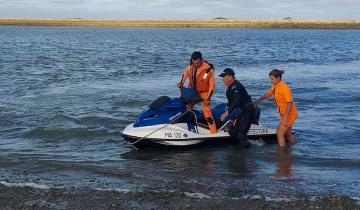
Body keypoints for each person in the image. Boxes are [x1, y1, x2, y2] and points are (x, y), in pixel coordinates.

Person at [254, 69, 298, 147]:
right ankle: (295, 147)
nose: (270, 81)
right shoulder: (275, 85)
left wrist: (286, 116)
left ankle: (282, 153)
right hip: (284, 114)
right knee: (288, 134)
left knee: (279, 133)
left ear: (278, 78)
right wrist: (257, 101)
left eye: (272, 79)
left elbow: (290, 102)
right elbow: (268, 94)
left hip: (289, 114)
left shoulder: (284, 88)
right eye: (270, 78)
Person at [177, 51, 217, 134]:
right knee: (186, 107)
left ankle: (213, 132)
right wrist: (181, 82)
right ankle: (189, 125)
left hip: (204, 93)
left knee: (207, 112)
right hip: (193, 91)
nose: (196, 65)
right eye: (194, 63)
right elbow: (186, 73)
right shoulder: (191, 65)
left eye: (198, 63)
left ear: (201, 60)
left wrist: (208, 98)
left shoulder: (208, 69)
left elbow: (212, 85)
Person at [219, 68, 255, 148]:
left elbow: (237, 101)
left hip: (247, 111)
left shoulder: (236, 86)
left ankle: (246, 154)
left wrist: (226, 113)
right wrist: (228, 105)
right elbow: (232, 100)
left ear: (229, 77)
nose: (222, 79)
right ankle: (238, 150)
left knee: (241, 134)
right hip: (241, 112)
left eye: (223, 77)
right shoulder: (231, 86)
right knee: (233, 132)